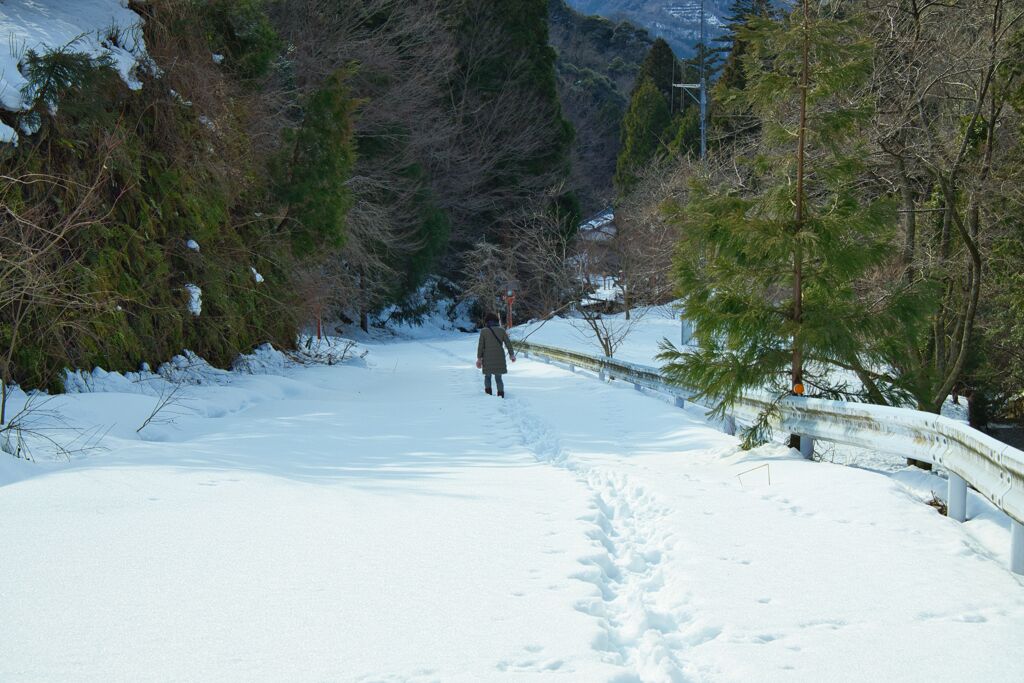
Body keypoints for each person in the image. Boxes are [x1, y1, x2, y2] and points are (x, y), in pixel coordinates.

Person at [475, 312, 516, 397]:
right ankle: (501, 394)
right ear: (496, 320)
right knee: (498, 378)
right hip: (499, 357)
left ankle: (488, 394)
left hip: (487, 357)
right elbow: (508, 343)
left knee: (487, 376)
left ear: (487, 321)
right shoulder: (501, 330)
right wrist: (511, 355)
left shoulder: (484, 331)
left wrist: (479, 359)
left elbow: (481, 346)